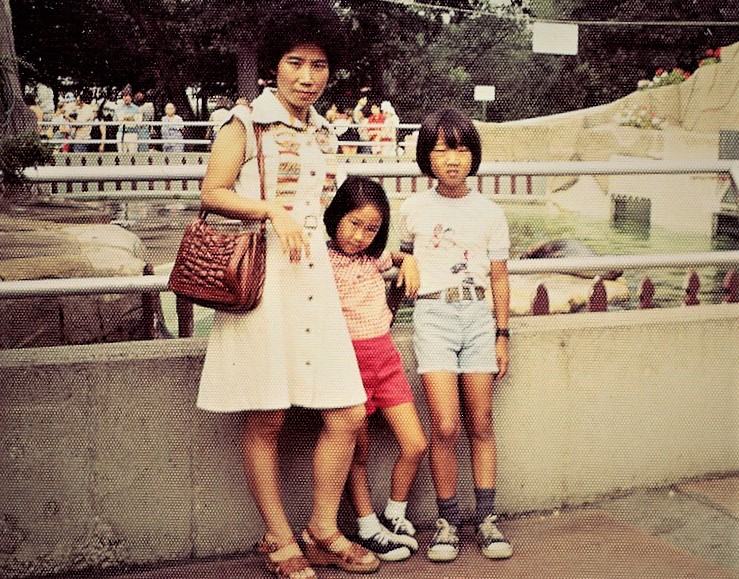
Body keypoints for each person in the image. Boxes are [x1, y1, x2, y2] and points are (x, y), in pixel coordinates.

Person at [196, 1, 380, 577]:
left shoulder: (323, 130)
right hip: (262, 286)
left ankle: (323, 527)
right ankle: (278, 538)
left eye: (318, 65)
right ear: (275, 66)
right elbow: (212, 192)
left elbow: (327, 211)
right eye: (295, 63)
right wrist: (272, 211)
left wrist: (389, 252)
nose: (307, 76)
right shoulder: (243, 123)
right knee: (267, 417)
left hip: (315, 283)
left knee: (348, 412)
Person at [397, 108, 513, 563]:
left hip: (478, 317)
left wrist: (502, 334)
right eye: (442, 149)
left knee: (480, 422)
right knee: (444, 424)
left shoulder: (489, 211)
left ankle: (486, 518)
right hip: (434, 317)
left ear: (473, 155)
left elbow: (499, 277)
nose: (452, 158)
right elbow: (399, 255)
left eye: (461, 149)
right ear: (427, 155)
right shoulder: (413, 208)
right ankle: (448, 521)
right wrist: (406, 259)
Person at [323, 176, 426, 563]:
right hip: (347, 366)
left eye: (371, 229)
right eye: (354, 223)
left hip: (385, 361)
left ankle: (394, 515)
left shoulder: (372, 258)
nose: (360, 236)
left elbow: (394, 257)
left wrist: (408, 260)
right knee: (358, 455)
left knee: (415, 443)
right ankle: (367, 528)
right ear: (336, 215)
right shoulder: (320, 260)